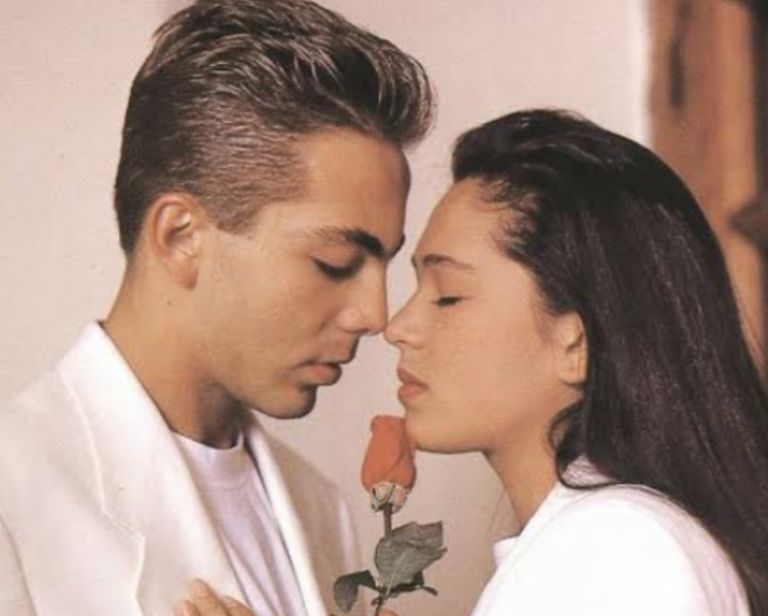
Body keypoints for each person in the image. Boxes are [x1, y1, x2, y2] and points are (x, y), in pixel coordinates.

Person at [0, 0, 433, 614]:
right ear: (181, 237)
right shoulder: (13, 492)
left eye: (384, 263)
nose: (376, 314)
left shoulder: (321, 509)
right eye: (334, 262)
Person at [383, 109, 768, 615]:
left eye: (449, 296)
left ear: (578, 344)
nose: (398, 327)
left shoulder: (612, 549)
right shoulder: (611, 543)